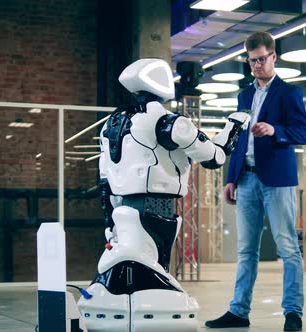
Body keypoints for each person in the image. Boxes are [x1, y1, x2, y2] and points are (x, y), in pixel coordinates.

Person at [77, 58, 250, 332]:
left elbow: (105, 181)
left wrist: (110, 224)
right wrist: (234, 127)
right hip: (158, 211)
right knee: (152, 271)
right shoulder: (169, 123)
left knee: (134, 267)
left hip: (122, 212)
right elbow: (214, 157)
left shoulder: (112, 125)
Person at [205, 32, 306, 331]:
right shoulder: (243, 95)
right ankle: (238, 311)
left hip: (278, 181)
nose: (256, 66)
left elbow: (303, 134)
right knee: (246, 250)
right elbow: (238, 141)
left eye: (261, 59)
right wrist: (231, 178)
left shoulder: (289, 93)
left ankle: (293, 313)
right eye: (252, 61)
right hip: (247, 180)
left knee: (288, 248)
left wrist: (275, 130)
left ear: (273, 57)